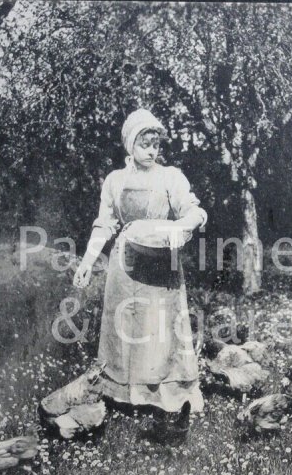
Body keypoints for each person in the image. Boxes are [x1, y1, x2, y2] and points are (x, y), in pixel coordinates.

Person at [73, 109, 208, 424]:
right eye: (144, 143)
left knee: (158, 330)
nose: (152, 150)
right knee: (126, 328)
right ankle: (124, 396)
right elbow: (104, 224)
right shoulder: (115, 181)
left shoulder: (170, 176)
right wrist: (87, 261)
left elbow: (193, 211)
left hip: (161, 263)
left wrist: (180, 227)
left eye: (156, 144)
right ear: (129, 144)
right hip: (124, 265)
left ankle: (165, 396)